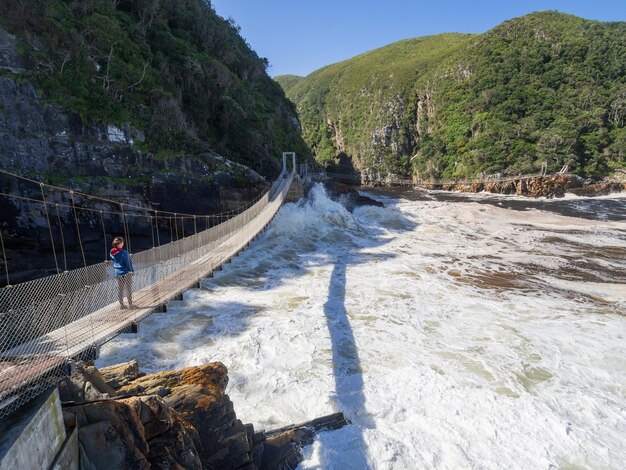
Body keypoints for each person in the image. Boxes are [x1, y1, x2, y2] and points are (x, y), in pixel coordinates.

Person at [110, 236, 136, 309]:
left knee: (120, 289)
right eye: (122, 242)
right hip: (126, 273)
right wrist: (131, 270)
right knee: (128, 288)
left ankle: (121, 304)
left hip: (117, 273)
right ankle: (130, 304)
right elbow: (128, 263)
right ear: (120, 244)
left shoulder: (111, 252)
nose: (123, 243)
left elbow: (113, 259)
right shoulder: (124, 252)